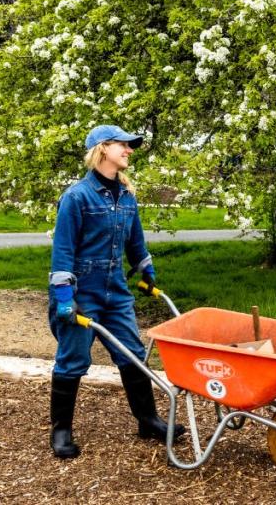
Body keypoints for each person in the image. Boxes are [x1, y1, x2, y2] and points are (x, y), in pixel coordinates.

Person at [47, 124, 184, 459]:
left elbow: (135, 241)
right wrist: (65, 297)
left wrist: (146, 272)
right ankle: (61, 431)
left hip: (116, 293)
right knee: (73, 359)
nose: (129, 150)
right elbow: (62, 251)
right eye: (123, 145)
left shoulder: (125, 195)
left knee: (133, 355)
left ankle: (147, 419)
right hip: (82, 292)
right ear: (103, 148)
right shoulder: (77, 197)